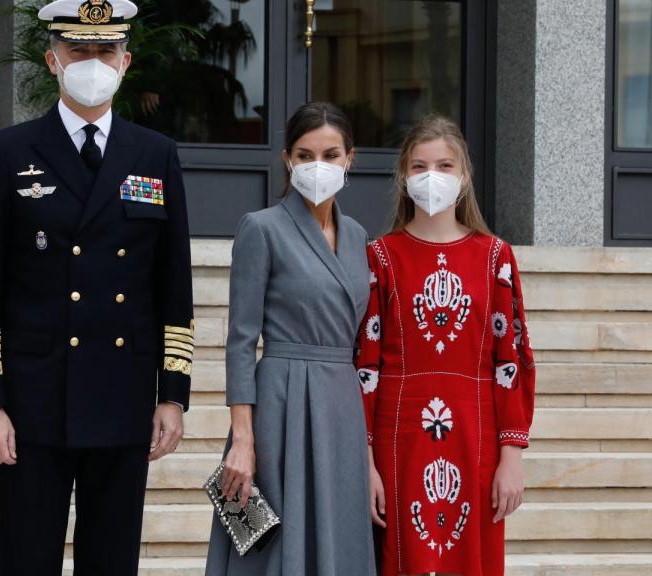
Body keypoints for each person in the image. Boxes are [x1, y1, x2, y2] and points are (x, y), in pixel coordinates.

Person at [0, 1, 194, 574]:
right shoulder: (9, 152)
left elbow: (173, 285)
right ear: (53, 59)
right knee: (25, 560)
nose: (92, 62)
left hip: (122, 394)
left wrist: (172, 394)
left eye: (105, 51)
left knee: (111, 562)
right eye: (78, 50)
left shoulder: (155, 154)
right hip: (31, 401)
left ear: (125, 62)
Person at [357, 115, 535, 576]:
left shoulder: (495, 257)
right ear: (403, 175)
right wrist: (365, 461)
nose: (431, 176)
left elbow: (511, 360)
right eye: (419, 166)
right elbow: (365, 368)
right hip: (399, 437)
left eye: (444, 165)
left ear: (464, 175)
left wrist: (511, 456)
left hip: (476, 437)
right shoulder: (380, 257)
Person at [205, 102, 377, 575]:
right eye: (305, 155)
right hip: (281, 406)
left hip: (341, 407)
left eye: (330, 154)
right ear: (287, 159)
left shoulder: (359, 236)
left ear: (350, 159)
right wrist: (243, 440)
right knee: (273, 546)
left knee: (336, 537)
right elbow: (241, 341)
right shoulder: (261, 228)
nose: (318, 166)